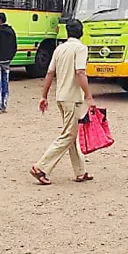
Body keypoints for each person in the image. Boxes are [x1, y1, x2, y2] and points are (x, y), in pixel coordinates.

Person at [30, 19, 96, 185]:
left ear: (67, 32)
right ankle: (41, 167)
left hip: (61, 96)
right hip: (73, 98)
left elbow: (50, 73)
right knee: (69, 134)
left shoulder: (60, 48)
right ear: (81, 32)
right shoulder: (80, 48)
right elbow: (80, 72)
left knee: (71, 133)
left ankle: (80, 171)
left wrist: (44, 96)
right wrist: (89, 96)